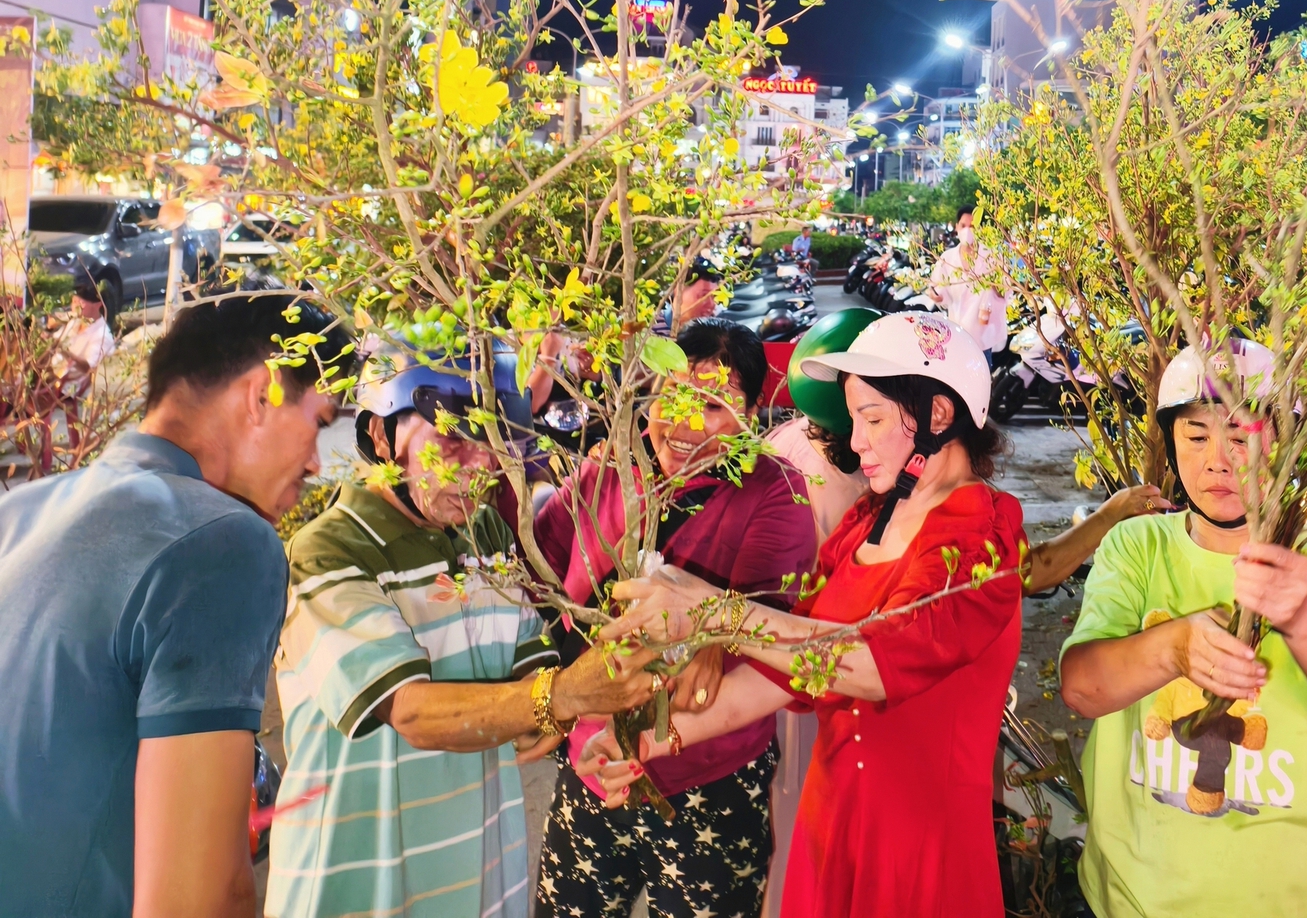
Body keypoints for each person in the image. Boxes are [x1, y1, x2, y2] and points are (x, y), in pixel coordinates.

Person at [602, 311, 1024, 918]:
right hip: (829, 830)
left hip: (918, 854)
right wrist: (649, 740)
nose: (853, 442)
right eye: (854, 419)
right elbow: (786, 670)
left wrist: (717, 612)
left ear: (937, 416)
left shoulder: (984, 534)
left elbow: (876, 662)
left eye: (873, 419)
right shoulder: (865, 522)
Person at [0, 292, 352, 918]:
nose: (315, 464)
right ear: (261, 392)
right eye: (320, 422)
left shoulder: (18, 514)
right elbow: (202, 896)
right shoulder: (223, 540)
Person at [265, 364, 657, 918]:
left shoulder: (487, 534)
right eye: (454, 439)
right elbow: (412, 712)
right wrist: (566, 695)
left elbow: (526, 703)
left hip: (481, 875)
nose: (482, 465)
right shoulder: (326, 552)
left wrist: (578, 733)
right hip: (359, 886)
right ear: (382, 436)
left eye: (495, 441)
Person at [1057, 337, 1307, 917]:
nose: (1218, 458)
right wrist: (1173, 649)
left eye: (1240, 436)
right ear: (1170, 444)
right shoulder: (1136, 548)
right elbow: (1083, 688)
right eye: (1196, 436)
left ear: (1281, 445)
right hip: (1139, 900)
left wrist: (1300, 616)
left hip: (1298, 904)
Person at [533, 318, 818, 918]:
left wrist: (714, 635)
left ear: (750, 415)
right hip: (593, 767)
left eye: (715, 406)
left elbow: (767, 634)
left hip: (710, 785)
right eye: (674, 398)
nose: (687, 426)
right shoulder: (607, 473)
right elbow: (537, 572)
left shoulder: (777, 493)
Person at [927, 205, 1009, 361]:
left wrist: (996, 286)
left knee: (980, 380)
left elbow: (1006, 290)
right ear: (957, 227)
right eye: (963, 226)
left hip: (982, 338)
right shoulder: (948, 258)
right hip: (956, 333)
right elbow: (936, 287)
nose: (967, 231)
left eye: (972, 226)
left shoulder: (992, 257)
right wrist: (936, 295)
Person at [51, 272, 117, 397]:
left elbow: (88, 368)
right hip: (51, 372)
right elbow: (55, 340)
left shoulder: (102, 335)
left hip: (68, 384)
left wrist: (64, 352)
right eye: (73, 302)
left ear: (98, 305)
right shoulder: (75, 320)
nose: (74, 307)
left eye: (80, 303)